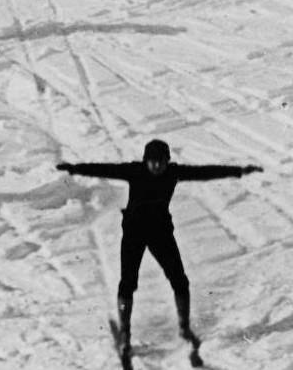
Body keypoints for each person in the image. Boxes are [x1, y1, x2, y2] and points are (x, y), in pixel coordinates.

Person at [56, 140, 262, 358]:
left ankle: (184, 327)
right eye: (153, 162)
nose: (156, 167)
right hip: (134, 233)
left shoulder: (173, 173)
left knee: (179, 280)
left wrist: (238, 171)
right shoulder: (135, 171)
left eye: (161, 162)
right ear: (146, 161)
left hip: (160, 233)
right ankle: (125, 333)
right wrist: (75, 168)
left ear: (167, 161)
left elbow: (205, 172)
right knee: (128, 283)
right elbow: (104, 169)